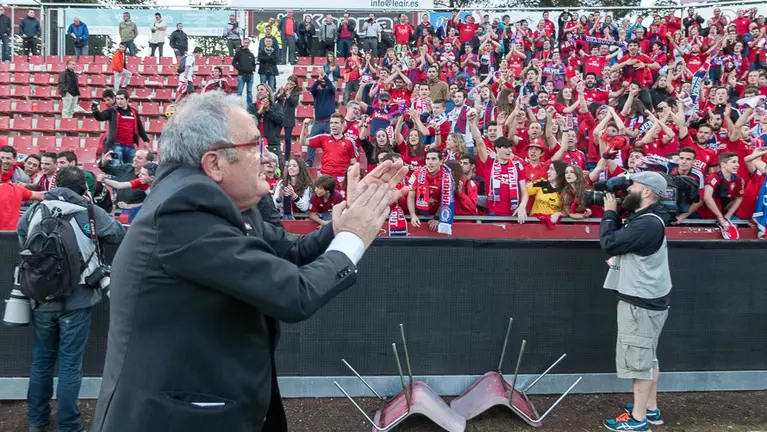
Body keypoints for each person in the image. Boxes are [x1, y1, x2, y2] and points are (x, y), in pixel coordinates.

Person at [90, 91, 409, 432]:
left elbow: (290, 252)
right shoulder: (183, 210)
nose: (266, 155)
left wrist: (340, 226)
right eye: (254, 145)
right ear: (214, 164)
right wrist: (355, 237)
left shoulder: (221, 201)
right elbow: (293, 294)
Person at [18, 166, 125, 432]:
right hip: (78, 299)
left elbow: (24, 242)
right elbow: (118, 236)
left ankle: (36, 419)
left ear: (55, 184)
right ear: (84, 189)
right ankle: (69, 425)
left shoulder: (33, 211)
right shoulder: (91, 212)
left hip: (41, 296)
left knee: (41, 358)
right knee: (70, 363)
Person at [600, 171, 672, 432]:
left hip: (640, 303)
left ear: (647, 192)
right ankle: (651, 410)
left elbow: (609, 243)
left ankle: (638, 419)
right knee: (648, 357)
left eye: (633, 186)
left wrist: (609, 213)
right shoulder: (648, 218)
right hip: (650, 300)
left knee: (639, 363)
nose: (627, 190)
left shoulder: (647, 224)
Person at [92, 89, 150, 165]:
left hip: (130, 145)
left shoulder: (134, 112)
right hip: (116, 145)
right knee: (116, 167)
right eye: (118, 99)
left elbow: (140, 127)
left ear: (127, 99)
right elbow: (100, 117)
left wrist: (145, 140)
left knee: (130, 168)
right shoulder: (112, 111)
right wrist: (95, 110)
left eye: (122, 99)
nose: (119, 101)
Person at [98, 149, 154, 222]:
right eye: (135, 156)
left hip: (138, 214)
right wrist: (104, 161)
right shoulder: (126, 168)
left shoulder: (148, 180)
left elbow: (151, 202)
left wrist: (130, 206)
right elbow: (108, 170)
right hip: (118, 210)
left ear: (148, 162)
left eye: (139, 158)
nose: (134, 159)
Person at [249, 84, 284, 162]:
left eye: (262, 90)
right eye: (258, 90)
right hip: (255, 143)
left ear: (268, 92)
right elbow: (248, 122)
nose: (259, 92)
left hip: (273, 144)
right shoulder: (252, 107)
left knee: (277, 170)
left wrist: (268, 110)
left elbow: (280, 120)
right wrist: (259, 112)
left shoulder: (276, 107)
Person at [275, 75, 300, 164]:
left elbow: (294, 102)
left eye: (292, 82)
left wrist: (288, 95)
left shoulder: (296, 93)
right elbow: (274, 99)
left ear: (295, 85)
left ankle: (286, 159)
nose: (289, 83)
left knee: (287, 138)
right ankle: (276, 155)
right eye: (289, 81)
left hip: (289, 118)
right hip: (279, 116)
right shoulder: (282, 89)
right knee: (276, 137)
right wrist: (280, 94)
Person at [233, 38, 256, 105]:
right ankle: (238, 105)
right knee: (239, 91)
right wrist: (240, 68)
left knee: (249, 91)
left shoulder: (251, 54)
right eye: (245, 42)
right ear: (243, 43)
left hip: (250, 75)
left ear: (249, 44)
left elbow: (254, 63)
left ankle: (250, 106)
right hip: (241, 75)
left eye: (247, 43)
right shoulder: (239, 52)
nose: (246, 44)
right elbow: (233, 63)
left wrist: (253, 69)